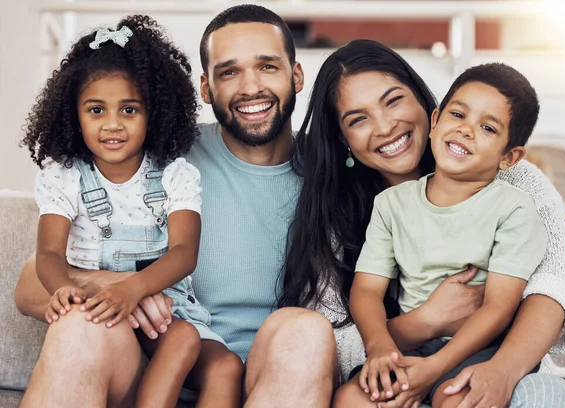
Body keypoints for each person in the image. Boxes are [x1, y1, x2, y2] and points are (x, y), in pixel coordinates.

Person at [14, 6, 336, 408]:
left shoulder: (333, 178)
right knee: (80, 325)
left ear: (297, 75)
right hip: (146, 369)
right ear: (205, 88)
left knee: (306, 332)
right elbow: (30, 284)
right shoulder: (160, 155)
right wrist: (126, 289)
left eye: (267, 66)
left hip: (272, 382)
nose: (251, 87)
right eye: (229, 72)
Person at [282, 39, 565, 408]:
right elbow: (337, 342)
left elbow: (550, 292)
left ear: (426, 105)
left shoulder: (515, 188)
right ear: (342, 139)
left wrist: (500, 370)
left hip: (497, 358)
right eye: (358, 119)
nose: (385, 126)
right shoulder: (372, 207)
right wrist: (429, 321)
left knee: (463, 397)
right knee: (352, 398)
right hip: (403, 360)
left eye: (393, 101)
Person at [19, 15, 243, 408]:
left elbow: (183, 253)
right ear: (74, 114)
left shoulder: (174, 175)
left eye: (128, 110)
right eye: (96, 110)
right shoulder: (65, 177)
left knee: (214, 359)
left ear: (152, 113)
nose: (112, 125)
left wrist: (134, 289)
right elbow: (50, 254)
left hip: (161, 300)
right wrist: (65, 291)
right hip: (99, 305)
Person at [351, 62, 547, 408]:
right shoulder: (391, 204)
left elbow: (499, 308)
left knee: (454, 398)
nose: (466, 130)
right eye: (458, 115)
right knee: (352, 399)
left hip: (483, 348)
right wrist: (379, 346)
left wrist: (435, 368)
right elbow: (367, 289)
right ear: (436, 120)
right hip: (408, 348)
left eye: (488, 127)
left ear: (509, 157)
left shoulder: (514, 209)